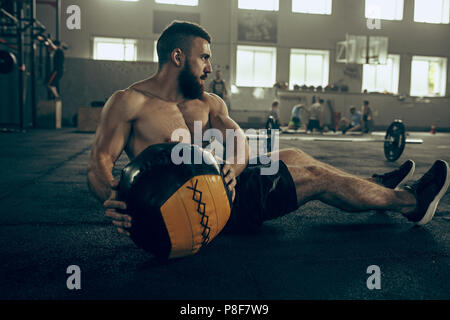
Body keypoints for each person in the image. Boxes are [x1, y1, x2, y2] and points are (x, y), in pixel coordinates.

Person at [87, 21, 449, 239]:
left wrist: (235, 166)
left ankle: (376, 187)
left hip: (225, 183)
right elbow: (100, 164)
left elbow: (238, 139)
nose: (210, 66)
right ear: (178, 57)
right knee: (317, 176)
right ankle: (412, 203)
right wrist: (114, 199)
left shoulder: (210, 102)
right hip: (201, 209)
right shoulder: (129, 102)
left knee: (294, 156)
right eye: (205, 57)